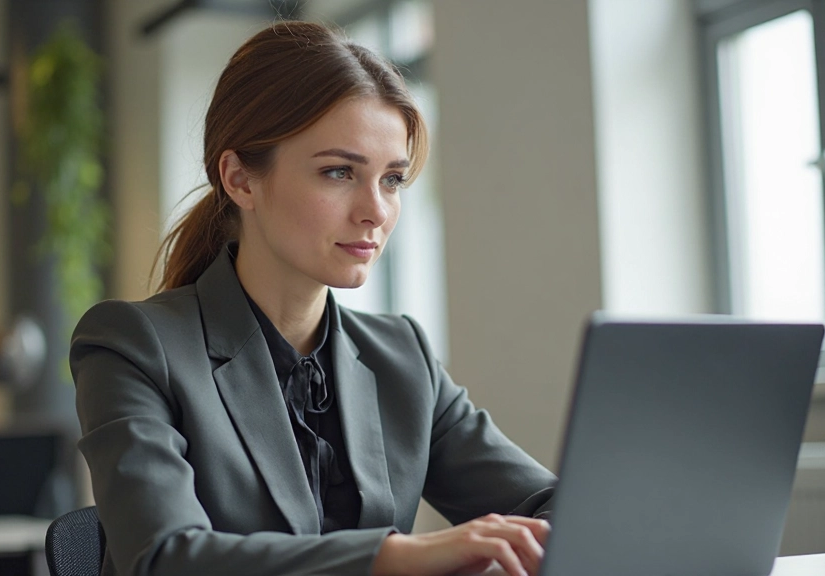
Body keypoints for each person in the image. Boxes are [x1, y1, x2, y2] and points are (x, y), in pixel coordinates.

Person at [71, 21, 557, 576]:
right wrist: (394, 556)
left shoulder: (402, 357)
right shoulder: (132, 345)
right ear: (241, 180)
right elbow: (165, 557)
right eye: (338, 172)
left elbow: (551, 506)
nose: (375, 210)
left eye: (393, 180)